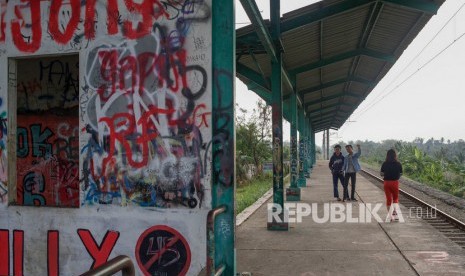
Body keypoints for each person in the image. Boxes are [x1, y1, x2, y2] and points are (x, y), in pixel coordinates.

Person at [381, 149, 403, 222]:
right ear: (395, 155)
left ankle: (390, 217)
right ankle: (395, 214)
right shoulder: (398, 164)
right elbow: (400, 173)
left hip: (386, 183)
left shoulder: (384, 163)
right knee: (395, 198)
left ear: (387, 155)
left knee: (388, 199)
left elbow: (381, 174)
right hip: (395, 183)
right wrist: (396, 177)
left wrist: (386, 174)